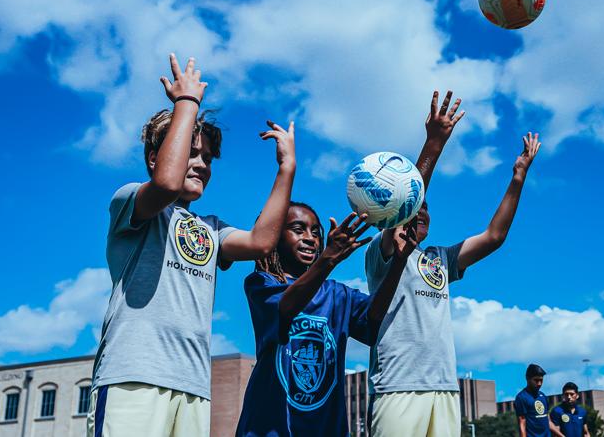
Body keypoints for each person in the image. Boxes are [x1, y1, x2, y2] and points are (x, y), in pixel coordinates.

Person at [88, 55, 297, 437]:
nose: (202, 164)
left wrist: (286, 169)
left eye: (208, 158)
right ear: (155, 158)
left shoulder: (210, 229)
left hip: (193, 385)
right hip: (133, 374)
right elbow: (166, 185)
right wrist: (186, 103)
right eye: (191, 153)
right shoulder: (131, 201)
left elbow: (261, 242)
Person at [365, 91, 542, 437]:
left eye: (427, 207)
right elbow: (407, 200)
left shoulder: (440, 259)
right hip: (398, 385)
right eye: (417, 207)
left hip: (445, 388)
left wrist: (518, 175)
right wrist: (434, 144)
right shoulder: (381, 252)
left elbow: (493, 237)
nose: (423, 210)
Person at [236, 204, 420, 437]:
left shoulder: (336, 294)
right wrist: (328, 259)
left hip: (326, 426)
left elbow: (373, 317)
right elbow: (287, 307)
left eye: (315, 232)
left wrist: (399, 262)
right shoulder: (261, 284)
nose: (309, 238)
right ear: (274, 236)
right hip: (270, 425)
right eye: (298, 229)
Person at [515, 364, 551, 437]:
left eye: (541, 380)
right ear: (527, 379)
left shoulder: (542, 396)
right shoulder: (522, 397)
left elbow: (549, 422)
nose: (539, 384)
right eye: (536, 380)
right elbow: (522, 423)